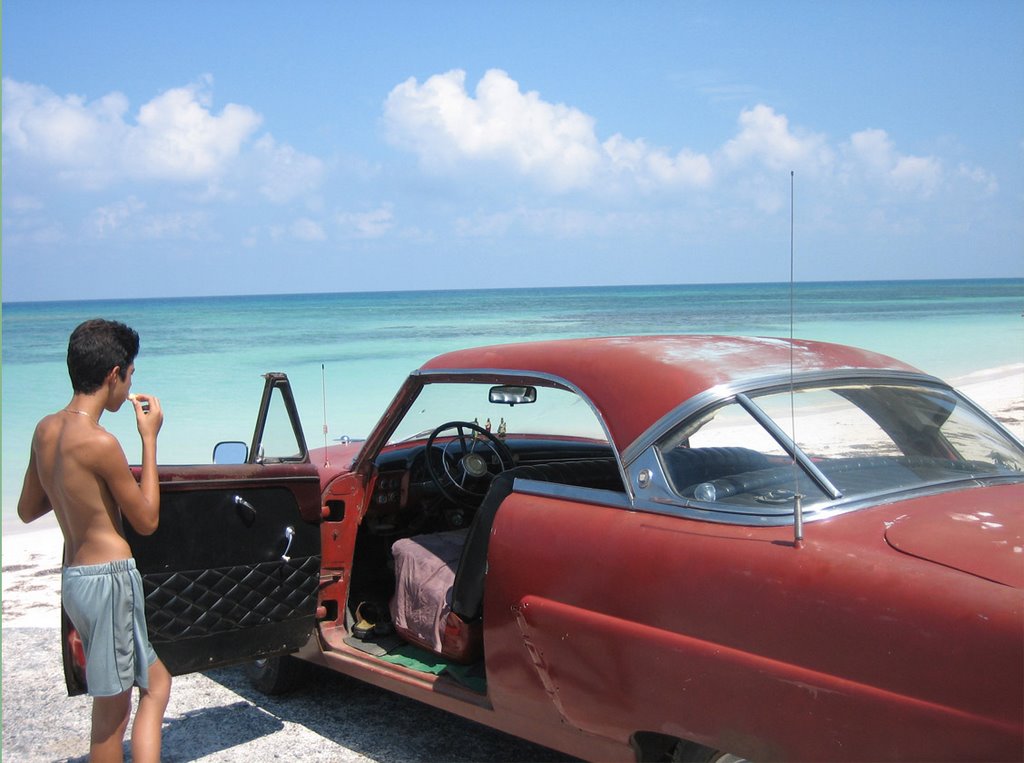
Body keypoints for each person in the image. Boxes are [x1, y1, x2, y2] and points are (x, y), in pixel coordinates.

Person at [17, 318, 171, 763]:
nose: (129, 385)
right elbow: (146, 520)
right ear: (113, 375)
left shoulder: (46, 430)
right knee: (112, 715)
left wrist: (71, 485)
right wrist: (148, 439)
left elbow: (28, 509)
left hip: (76, 581)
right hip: (109, 582)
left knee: (157, 683)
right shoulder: (100, 442)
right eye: (130, 375)